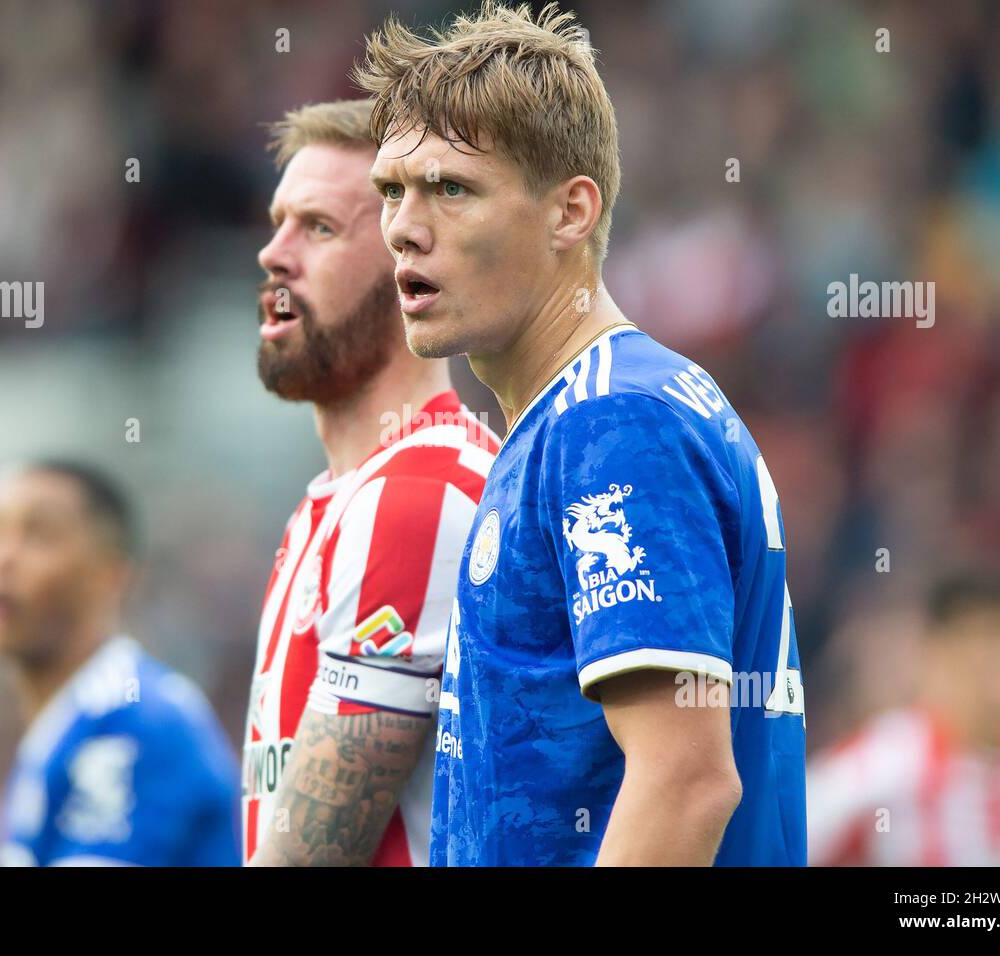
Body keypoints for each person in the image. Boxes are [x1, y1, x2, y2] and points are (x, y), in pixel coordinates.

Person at [357, 2, 806, 865]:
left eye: (452, 188)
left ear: (571, 212)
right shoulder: (574, 420)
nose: (405, 227)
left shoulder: (613, 423)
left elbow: (686, 782)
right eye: (392, 190)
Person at [245, 99, 499, 866]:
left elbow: (305, 860)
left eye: (318, 228)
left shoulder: (418, 495)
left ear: (409, 264)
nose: (273, 254)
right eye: (277, 221)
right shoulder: (334, 502)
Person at [0, 460, 241, 866]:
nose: (0, 559)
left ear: (111, 576)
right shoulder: (63, 732)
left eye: (38, 534)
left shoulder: (134, 723)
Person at [808, 568, 1000, 866]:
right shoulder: (882, 764)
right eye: (976, 646)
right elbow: (781, 843)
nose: (997, 669)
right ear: (935, 654)